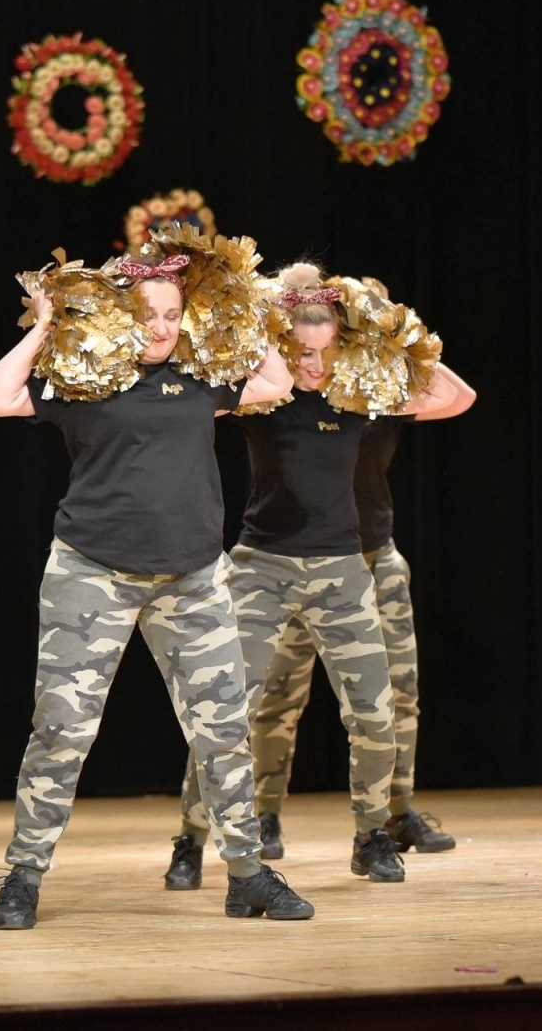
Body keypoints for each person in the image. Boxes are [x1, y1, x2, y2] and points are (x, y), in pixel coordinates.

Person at [0, 243, 313, 928]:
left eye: (172, 312)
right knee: (63, 730)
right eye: (149, 312)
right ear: (120, 315)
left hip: (192, 578)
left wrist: (237, 316)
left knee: (222, 731)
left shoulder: (200, 380)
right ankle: (23, 874)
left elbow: (277, 383)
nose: (161, 326)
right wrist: (45, 324)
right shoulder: (82, 382)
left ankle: (246, 874)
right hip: (91, 573)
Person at [169, 263, 464, 887]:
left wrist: (391, 335)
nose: (313, 365)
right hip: (262, 568)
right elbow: (192, 390)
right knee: (229, 711)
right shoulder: (260, 397)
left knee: (375, 713)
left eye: (326, 350)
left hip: (344, 570)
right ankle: (192, 839)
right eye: (301, 351)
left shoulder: (361, 398)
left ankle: (371, 835)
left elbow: (455, 396)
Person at [249, 275, 476, 860]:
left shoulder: (374, 390)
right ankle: (262, 816)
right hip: (287, 558)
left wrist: (400, 335)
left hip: (373, 558)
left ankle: (396, 812)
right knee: (275, 697)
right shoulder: (283, 390)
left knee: (397, 696)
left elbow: (458, 395)